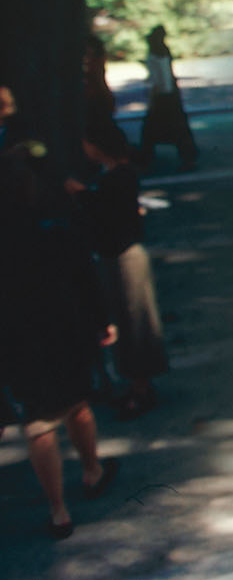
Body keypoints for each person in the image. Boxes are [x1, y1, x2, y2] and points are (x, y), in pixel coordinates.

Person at [0, 145, 120, 539]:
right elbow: (85, 279)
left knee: (37, 424)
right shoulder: (54, 229)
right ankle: (91, 470)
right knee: (77, 404)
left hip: (16, 339)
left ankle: (58, 510)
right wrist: (102, 321)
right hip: (63, 331)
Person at [67, 112, 167, 419]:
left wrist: (83, 196)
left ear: (97, 146)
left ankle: (141, 389)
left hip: (125, 259)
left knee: (133, 323)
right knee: (129, 322)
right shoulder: (116, 175)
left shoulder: (118, 178)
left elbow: (112, 217)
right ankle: (137, 385)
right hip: (121, 257)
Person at [139, 25, 198, 171]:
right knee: (175, 130)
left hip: (163, 98)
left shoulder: (156, 54)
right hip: (169, 97)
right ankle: (186, 157)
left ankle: (147, 159)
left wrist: (154, 97)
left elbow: (162, 82)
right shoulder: (162, 52)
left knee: (152, 130)